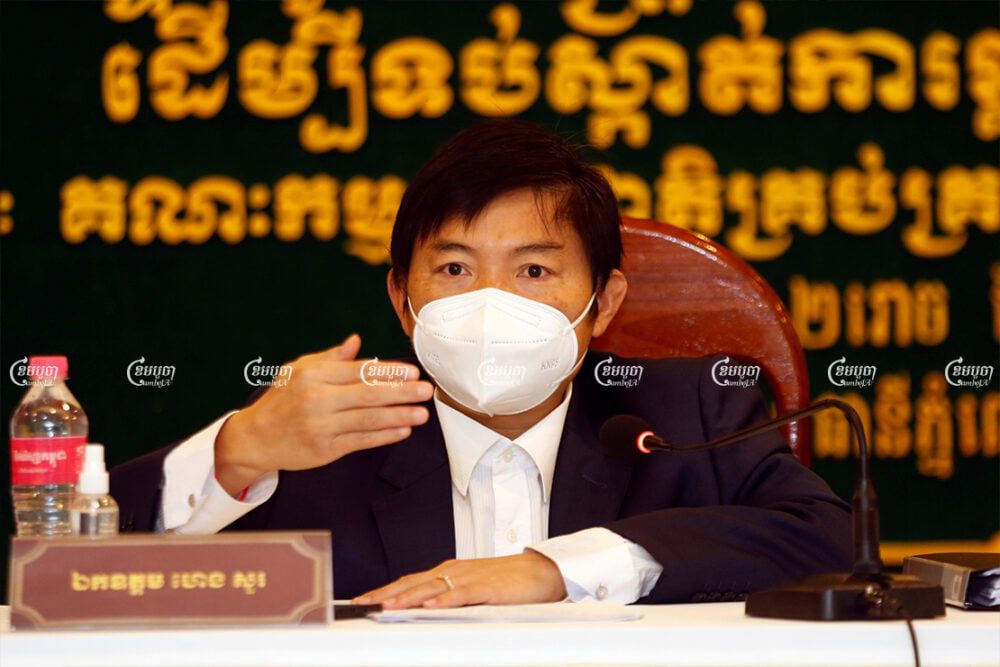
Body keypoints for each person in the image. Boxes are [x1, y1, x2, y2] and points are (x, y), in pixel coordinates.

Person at [111, 120, 852, 609]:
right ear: (402, 300)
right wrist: (235, 451)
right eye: (457, 269)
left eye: (533, 272)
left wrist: (557, 568)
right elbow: (78, 572)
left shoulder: (687, 413)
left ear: (604, 303)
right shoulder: (318, 435)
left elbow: (830, 541)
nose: (493, 305)